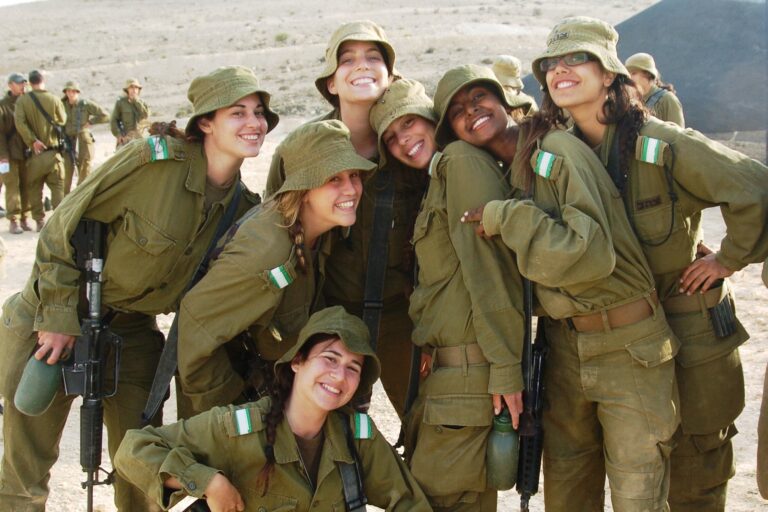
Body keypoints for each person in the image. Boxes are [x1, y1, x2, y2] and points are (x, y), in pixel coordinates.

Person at [0, 65, 274, 512]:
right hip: (53, 314)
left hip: (130, 332)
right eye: (237, 112)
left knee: (141, 468)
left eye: (259, 112)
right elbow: (60, 229)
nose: (254, 123)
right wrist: (57, 319)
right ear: (206, 122)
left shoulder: (242, 209)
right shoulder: (152, 162)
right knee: (24, 470)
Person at [530, 16, 768, 511]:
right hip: (593, 344)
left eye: (577, 58)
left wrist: (728, 259)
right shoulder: (556, 152)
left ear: (609, 74)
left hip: (687, 334)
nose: (560, 70)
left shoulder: (661, 144)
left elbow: (753, 188)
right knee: (576, 470)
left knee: (693, 467)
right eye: (551, 63)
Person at [449, 63, 680, 511]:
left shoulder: (552, 149)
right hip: (564, 347)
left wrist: (506, 217)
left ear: (506, 102)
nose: (472, 111)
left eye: (480, 99)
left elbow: (590, 254)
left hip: (627, 347)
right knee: (567, 494)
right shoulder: (512, 172)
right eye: (458, 110)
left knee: (638, 495)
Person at [369, 75, 526, 510]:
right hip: (448, 377)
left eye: (409, 124)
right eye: (391, 137)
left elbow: (489, 272)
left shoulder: (459, 161)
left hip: (470, 379)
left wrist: (505, 368)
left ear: (431, 122)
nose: (403, 140)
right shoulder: (438, 178)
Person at [116, 306, 432, 511]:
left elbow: (409, 503)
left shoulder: (357, 437)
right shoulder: (239, 429)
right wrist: (210, 482)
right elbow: (134, 449)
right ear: (297, 362)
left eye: (353, 367)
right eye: (330, 359)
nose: (339, 376)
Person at [265, 20, 425, 417]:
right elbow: (275, 228)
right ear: (331, 82)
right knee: (326, 432)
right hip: (328, 314)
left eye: (374, 57)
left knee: (426, 426)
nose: (362, 66)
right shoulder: (303, 148)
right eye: (348, 59)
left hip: (401, 314)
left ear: (390, 76)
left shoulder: (411, 143)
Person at [177, 119, 376, 416]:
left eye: (354, 175)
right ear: (304, 188)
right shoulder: (268, 249)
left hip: (267, 388)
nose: (351, 189)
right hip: (227, 408)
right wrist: (233, 415)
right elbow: (194, 328)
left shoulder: (318, 232)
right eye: (334, 179)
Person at [13, 69, 66, 231]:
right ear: (43, 81)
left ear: (30, 82)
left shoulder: (22, 101)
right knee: (57, 187)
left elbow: (20, 123)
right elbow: (62, 120)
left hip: (35, 155)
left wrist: (33, 140)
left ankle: (39, 221)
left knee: (35, 188)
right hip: (53, 153)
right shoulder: (54, 99)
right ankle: (60, 221)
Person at [61, 80, 110, 194]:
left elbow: (105, 116)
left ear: (77, 92)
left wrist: (91, 122)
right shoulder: (61, 105)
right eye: (68, 91)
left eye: (73, 91)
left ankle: (82, 197)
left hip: (83, 140)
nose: (71, 94)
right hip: (68, 141)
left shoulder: (85, 104)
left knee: (84, 172)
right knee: (66, 174)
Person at [0, 72, 31, 233]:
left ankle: (25, 217)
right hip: (9, 153)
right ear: (10, 85)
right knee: (12, 186)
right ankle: (14, 220)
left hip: (26, 151)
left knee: (27, 185)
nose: (22, 86)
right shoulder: (3, 105)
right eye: (19, 83)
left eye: (24, 84)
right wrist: (3, 157)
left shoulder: (27, 102)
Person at [625, 52, 685, 127]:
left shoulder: (668, 100)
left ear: (648, 74)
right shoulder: (630, 101)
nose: (629, 78)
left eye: (633, 73)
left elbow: (680, 135)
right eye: (628, 74)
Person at [111, 78, 151, 148]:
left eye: (136, 88)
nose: (134, 90)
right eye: (131, 87)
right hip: (126, 137)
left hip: (141, 137)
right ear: (127, 90)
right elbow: (113, 120)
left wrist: (136, 101)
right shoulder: (121, 103)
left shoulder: (142, 103)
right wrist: (118, 135)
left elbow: (145, 115)